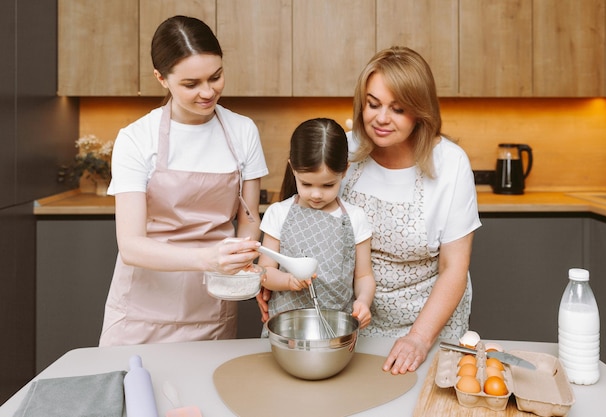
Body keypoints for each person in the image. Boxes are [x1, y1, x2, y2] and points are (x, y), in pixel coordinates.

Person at [258, 47, 480, 374]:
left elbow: (454, 269)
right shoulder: (343, 150)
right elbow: (298, 214)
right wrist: (273, 278)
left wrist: (418, 338)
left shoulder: (451, 164)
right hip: (348, 317)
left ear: (420, 111)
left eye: (398, 108)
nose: (380, 118)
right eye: (372, 104)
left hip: (426, 322)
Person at [99, 16, 268, 346]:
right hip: (141, 311)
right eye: (191, 84)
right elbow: (131, 246)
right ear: (161, 78)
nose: (208, 92)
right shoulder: (136, 139)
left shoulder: (243, 131)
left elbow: (248, 219)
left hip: (212, 305)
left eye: (216, 77)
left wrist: (242, 259)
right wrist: (207, 260)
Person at [258, 118, 375, 332]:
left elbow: (364, 276)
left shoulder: (356, 218)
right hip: (286, 330)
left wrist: (364, 301)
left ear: (345, 171)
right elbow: (264, 272)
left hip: (337, 330)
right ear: (293, 168)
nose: (316, 194)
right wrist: (287, 280)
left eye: (328, 185)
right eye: (306, 184)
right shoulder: (278, 213)